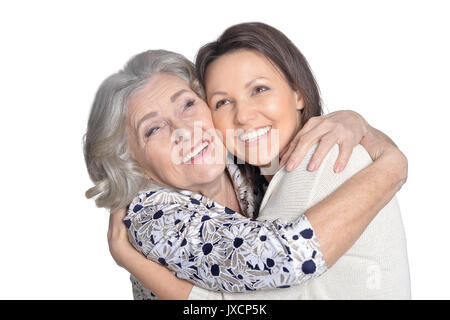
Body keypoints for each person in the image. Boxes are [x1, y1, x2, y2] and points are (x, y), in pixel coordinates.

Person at [85, 41, 407, 299]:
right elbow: (288, 259)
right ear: (133, 162)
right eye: (154, 129)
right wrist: (393, 167)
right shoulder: (151, 215)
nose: (185, 130)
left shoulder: (240, 161)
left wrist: (354, 121)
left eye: (187, 104)